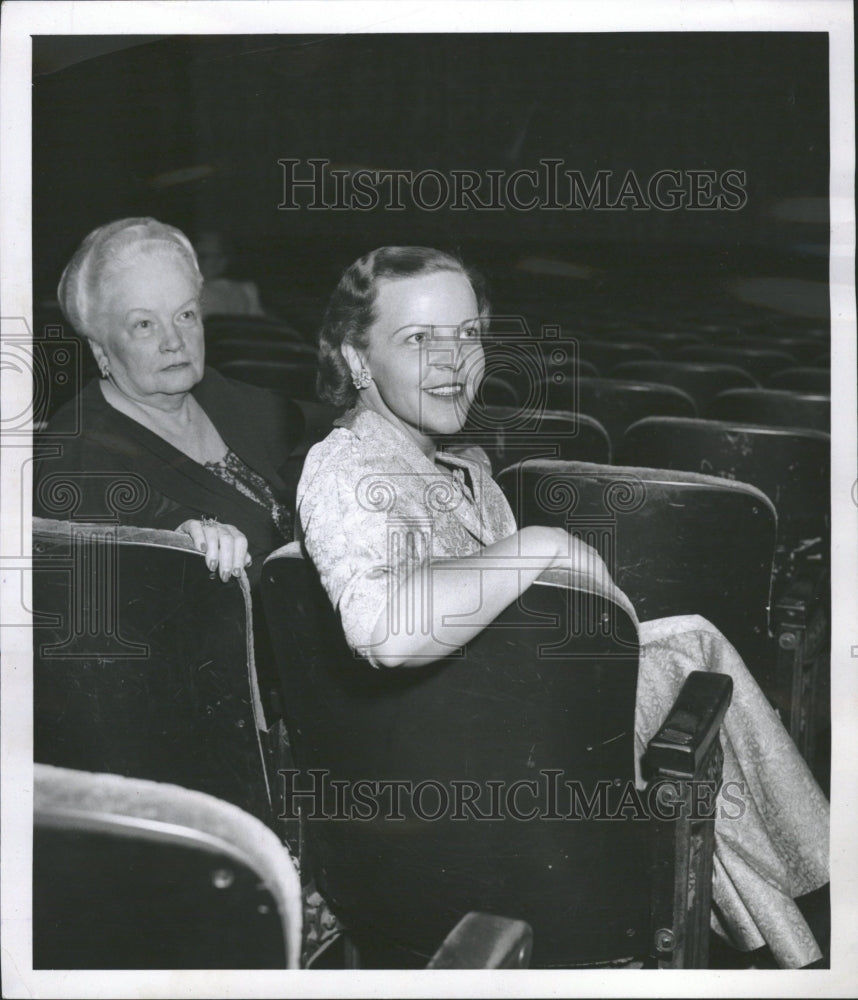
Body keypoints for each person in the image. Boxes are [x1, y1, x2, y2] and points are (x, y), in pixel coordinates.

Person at [296, 246, 830, 969]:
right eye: (419, 340)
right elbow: (383, 630)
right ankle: (811, 906)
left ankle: (813, 892)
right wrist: (540, 546)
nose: (454, 361)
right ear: (357, 362)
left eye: (469, 334)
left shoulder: (462, 470)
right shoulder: (344, 467)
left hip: (523, 764)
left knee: (692, 645)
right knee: (693, 675)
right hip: (480, 806)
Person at [35, 217, 303, 584]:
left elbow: (312, 423)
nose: (174, 340)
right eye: (144, 324)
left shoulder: (213, 392)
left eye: (186, 315)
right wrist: (176, 544)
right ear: (100, 347)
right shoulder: (77, 450)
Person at [194, 230, 267, 319]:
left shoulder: (200, 294)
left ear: (222, 261)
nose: (195, 262)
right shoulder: (248, 292)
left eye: (202, 257)